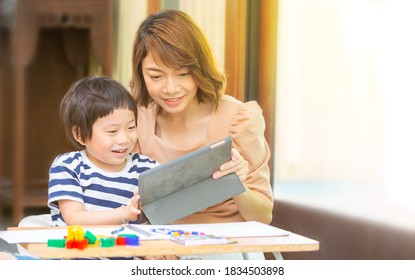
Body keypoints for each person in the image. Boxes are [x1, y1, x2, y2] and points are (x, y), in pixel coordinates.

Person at [131, 10, 273, 228]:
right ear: (141, 74)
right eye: (156, 76)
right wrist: (150, 246)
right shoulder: (137, 122)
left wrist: (236, 184)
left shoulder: (238, 119)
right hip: (162, 246)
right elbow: (126, 205)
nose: (170, 89)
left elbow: (263, 216)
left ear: (200, 68)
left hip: (231, 246)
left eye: (183, 74)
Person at [48, 76, 158, 227]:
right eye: (112, 131)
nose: (124, 139)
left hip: (130, 248)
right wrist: (125, 213)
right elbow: (75, 219)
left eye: (131, 128)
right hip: (80, 247)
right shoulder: (69, 167)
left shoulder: (146, 169)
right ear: (80, 134)